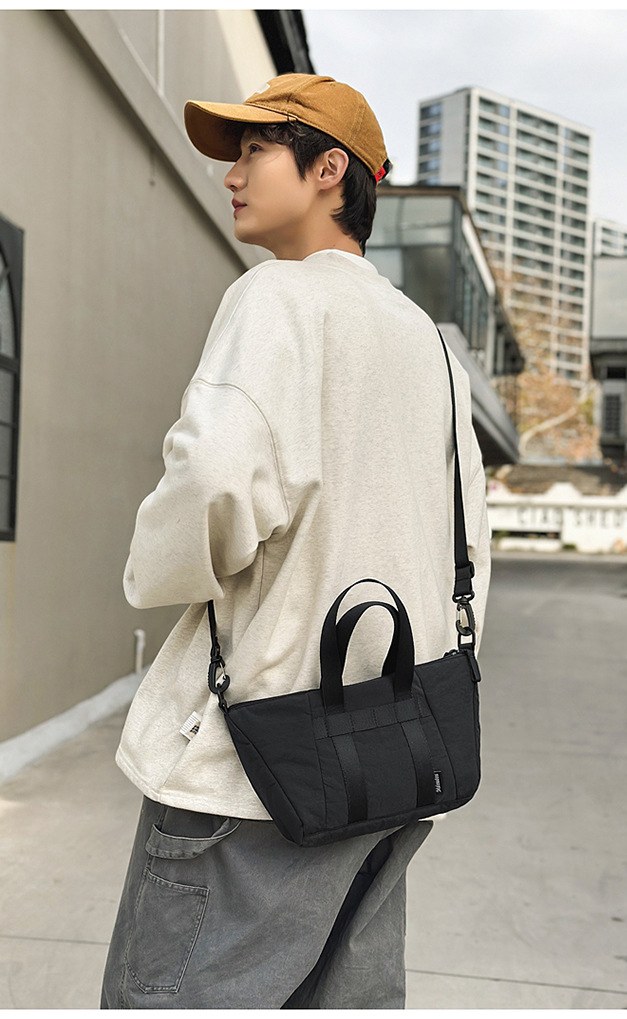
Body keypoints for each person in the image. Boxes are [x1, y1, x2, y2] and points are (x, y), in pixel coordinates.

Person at [100, 72, 491, 1009]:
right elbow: (469, 542)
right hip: (395, 764)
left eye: (254, 151)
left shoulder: (274, 298)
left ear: (328, 170)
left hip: (253, 773)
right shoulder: (428, 342)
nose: (231, 175)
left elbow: (212, 479)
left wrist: (152, 566)